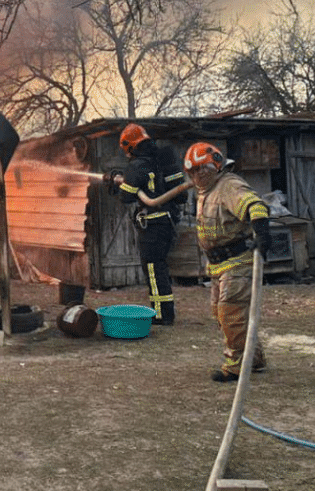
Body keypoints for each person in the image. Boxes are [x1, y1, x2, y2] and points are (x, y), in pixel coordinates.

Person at [183, 141, 272, 382]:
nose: (198, 175)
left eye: (203, 169)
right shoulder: (205, 191)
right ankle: (252, 357)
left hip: (238, 261)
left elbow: (255, 206)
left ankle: (235, 366)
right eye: (193, 171)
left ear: (216, 164)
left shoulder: (228, 185)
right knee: (221, 314)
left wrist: (263, 236)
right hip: (218, 265)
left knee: (231, 312)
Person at [108, 123, 191, 325]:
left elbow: (126, 197)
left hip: (152, 225)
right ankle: (164, 311)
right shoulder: (163, 159)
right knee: (159, 267)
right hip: (168, 223)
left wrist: (122, 181)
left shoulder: (138, 165)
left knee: (153, 268)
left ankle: (162, 315)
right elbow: (181, 197)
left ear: (130, 146)